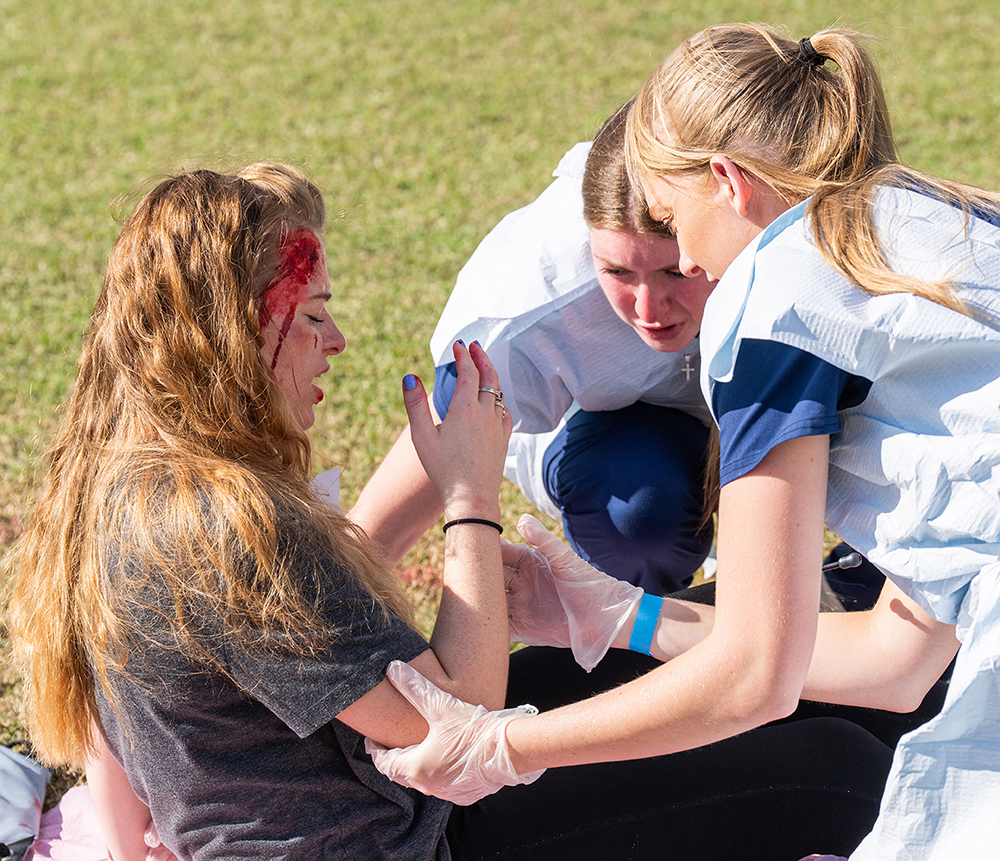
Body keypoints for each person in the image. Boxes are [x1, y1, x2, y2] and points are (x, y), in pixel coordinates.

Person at [366, 24, 1000, 861]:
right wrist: (631, 614)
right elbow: (896, 658)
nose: (688, 268)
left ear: (729, 184)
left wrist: (504, 747)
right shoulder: (937, 211)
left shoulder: (780, 293)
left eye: (668, 219)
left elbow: (754, 677)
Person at [6, 162, 532, 860]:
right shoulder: (228, 525)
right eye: (311, 315)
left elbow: (110, 739)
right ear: (230, 334)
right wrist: (469, 494)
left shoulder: (108, 484)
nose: (338, 339)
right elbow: (464, 718)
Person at [351, 103, 715, 595]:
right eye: (617, 272)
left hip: (750, 408)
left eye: (675, 271)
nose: (648, 308)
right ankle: (637, 619)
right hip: (619, 425)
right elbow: (454, 427)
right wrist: (341, 578)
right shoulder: (542, 301)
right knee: (638, 510)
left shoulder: (796, 244)